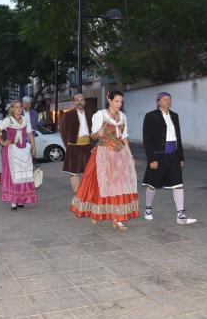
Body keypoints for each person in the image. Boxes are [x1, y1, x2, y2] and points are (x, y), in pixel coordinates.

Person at [70, 90, 139, 230]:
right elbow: (93, 136)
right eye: (116, 101)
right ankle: (97, 213)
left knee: (120, 185)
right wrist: (97, 133)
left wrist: (130, 155)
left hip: (120, 154)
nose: (119, 104)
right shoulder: (100, 115)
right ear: (109, 100)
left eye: (121, 102)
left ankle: (117, 218)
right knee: (101, 186)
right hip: (104, 153)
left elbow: (124, 137)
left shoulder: (123, 116)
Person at [142, 92, 197, 225]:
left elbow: (178, 137)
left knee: (178, 184)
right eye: (165, 99)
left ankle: (181, 215)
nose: (168, 102)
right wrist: (151, 159)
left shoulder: (174, 115)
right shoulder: (150, 116)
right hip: (158, 155)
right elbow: (147, 139)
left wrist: (181, 156)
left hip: (173, 155)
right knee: (152, 184)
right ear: (158, 101)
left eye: (169, 100)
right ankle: (148, 208)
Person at [0, 100, 37, 210]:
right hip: (12, 151)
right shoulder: (8, 120)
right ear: (12, 109)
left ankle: (21, 199)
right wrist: (3, 142)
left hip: (23, 151)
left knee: (23, 175)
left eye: (20, 107)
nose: (19, 109)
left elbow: (30, 133)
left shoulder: (25, 120)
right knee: (13, 176)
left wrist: (33, 147)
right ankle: (14, 201)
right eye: (16, 107)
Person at [60, 93, 93, 192]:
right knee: (74, 171)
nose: (79, 102)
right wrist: (68, 145)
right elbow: (63, 131)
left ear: (85, 102)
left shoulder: (89, 114)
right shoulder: (68, 114)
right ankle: (77, 191)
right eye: (77, 100)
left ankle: (85, 190)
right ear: (74, 102)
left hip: (87, 145)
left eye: (81, 100)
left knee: (87, 170)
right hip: (73, 145)